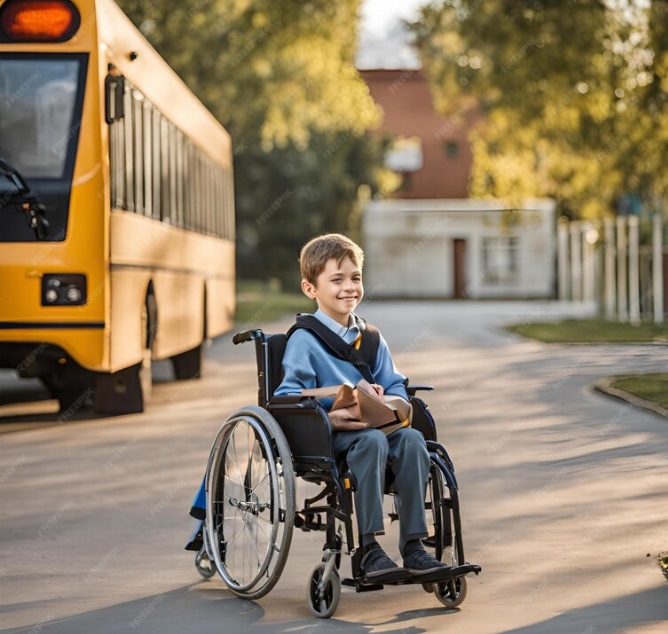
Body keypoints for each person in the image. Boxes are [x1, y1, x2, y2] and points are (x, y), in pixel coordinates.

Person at [273, 233, 449, 581]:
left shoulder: (370, 337)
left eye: (355, 278)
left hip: (378, 428)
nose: (349, 287)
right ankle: (369, 548)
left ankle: (414, 544)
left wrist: (389, 402)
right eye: (336, 280)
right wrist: (335, 407)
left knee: (413, 441)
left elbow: (396, 382)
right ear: (311, 289)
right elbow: (289, 395)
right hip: (331, 436)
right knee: (372, 442)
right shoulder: (303, 340)